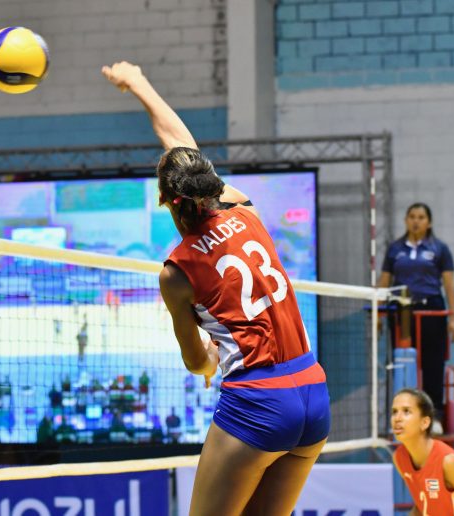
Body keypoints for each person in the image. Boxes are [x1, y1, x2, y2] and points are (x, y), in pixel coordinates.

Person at [101, 62, 330, 515]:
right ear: (210, 188)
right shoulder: (243, 207)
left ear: (167, 202)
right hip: (313, 393)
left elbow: (196, 360)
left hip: (259, 406)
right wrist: (140, 83)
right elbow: (183, 148)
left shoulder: (177, 272)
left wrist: (210, 359)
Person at [379, 203, 454, 430]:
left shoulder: (440, 249)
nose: (416, 221)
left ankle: (434, 417)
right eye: (412, 216)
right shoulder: (395, 249)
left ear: (429, 222)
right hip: (403, 314)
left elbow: (449, 284)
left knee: (433, 365)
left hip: (431, 310)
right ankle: (403, 417)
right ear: (406, 220)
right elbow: (384, 281)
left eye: (421, 217)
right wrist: (377, 312)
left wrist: (453, 319)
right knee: (403, 363)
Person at [392, 389, 454, 515]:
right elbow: (422, 504)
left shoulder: (449, 461)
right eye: (394, 412)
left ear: (425, 422)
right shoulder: (399, 458)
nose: (397, 418)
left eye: (406, 411)